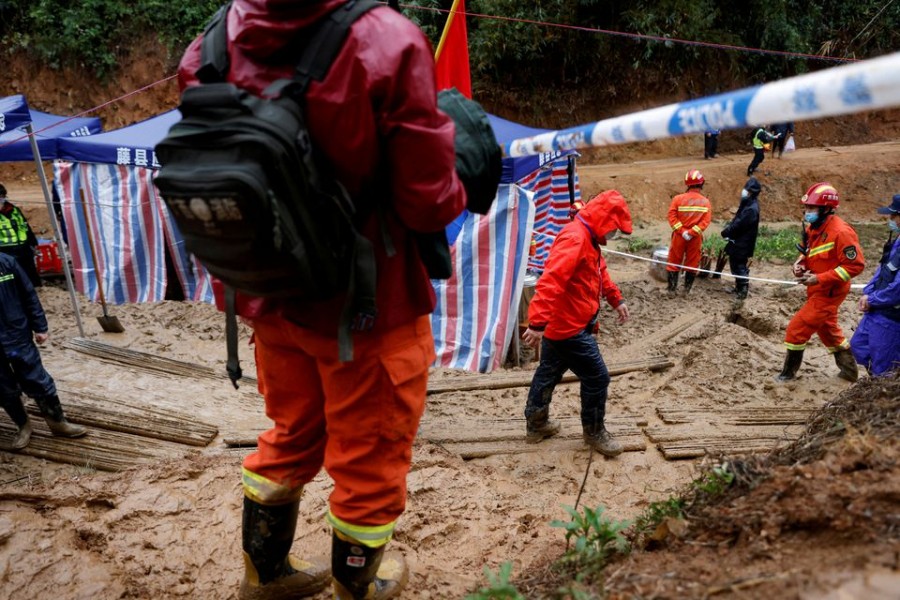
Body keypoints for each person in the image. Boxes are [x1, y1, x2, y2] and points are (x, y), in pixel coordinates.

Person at [177, 2, 467, 599]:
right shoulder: (385, 43)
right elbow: (429, 204)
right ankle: (360, 586)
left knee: (290, 432)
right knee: (370, 455)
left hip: (265, 295)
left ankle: (264, 572)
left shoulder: (211, 44)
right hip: (364, 307)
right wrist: (462, 158)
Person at [521, 190, 632, 458]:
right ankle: (594, 433)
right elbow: (551, 280)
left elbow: (599, 272)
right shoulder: (574, 238)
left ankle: (536, 424)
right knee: (597, 377)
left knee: (548, 373)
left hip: (570, 322)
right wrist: (536, 323)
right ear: (604, 219)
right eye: (614, 228)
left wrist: (615, 299)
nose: (614, 234)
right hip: (568, 327)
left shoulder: (589, 239)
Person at [776, 183, 864, 383]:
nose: (807, 212)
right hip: (817, 287)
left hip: (830, 291)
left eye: (811, 208)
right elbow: (808, 252)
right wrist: (799, 264)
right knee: (828, 331)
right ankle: (849, 372)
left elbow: (855, 266)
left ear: (826, 209)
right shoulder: (813, 228)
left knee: (797, 329)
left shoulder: (841, 232)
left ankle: (787, 375)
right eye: (806, 208)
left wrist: (820, 278)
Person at [0, 253, 87, 450]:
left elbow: (28, 294)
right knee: (3, 388)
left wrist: (40, 326)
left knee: (36, 378)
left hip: (16, 334)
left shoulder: (7, 263)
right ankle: (23, 425)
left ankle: (57, 423)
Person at [851, 193, 900, 376]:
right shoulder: (897, 241)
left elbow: (898, 288)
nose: (890, 219)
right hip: (877, 308)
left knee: (884, 365)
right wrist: (869, 292)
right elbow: (883, 268)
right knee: (859, 346)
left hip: (891, 315)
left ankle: (885, 394)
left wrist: (873, 299)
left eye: (894, 215)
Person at [666, 169, 712, 296]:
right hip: (695, 238)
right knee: (692, 263)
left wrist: (682, 231)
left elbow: (671, 217)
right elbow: (705, 222)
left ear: (687, 184)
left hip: (679, 236)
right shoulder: (705, 202)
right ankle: (686, 291)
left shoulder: (677, 199)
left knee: (673, 262)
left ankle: (671, 290)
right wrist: (691, 232)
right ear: (701, 183)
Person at [721, 177, 761, 300]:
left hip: (743, 243)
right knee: (736, 264)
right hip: (739, 241)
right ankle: (739, 288)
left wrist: (727, 231)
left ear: (751, 192)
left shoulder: (751, 209)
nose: (744, 191)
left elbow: (739, 224)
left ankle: (742, 291)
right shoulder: (748, 203)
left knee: (739, 266)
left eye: (747, 189)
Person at [0, 183, 41, 288]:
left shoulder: (14, 210)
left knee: (30, 275)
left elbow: (25, 226)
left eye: (2, 197)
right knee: (12, 279)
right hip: (5, 250)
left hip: (23, 248)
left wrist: (33, 243)